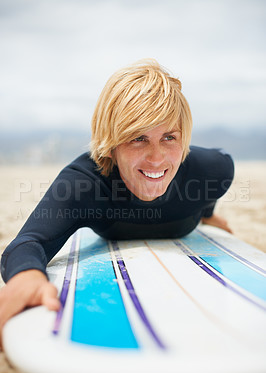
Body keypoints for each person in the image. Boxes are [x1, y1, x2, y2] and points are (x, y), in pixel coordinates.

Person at [0, 59, 234, 345]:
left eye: (169, 137)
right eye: (138, 138)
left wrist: (206, 213)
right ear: (111, 144)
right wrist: (27, 276)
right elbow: (28, 242)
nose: (157, 157)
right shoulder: (84, 184)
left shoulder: (214, 170)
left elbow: (213, 190)